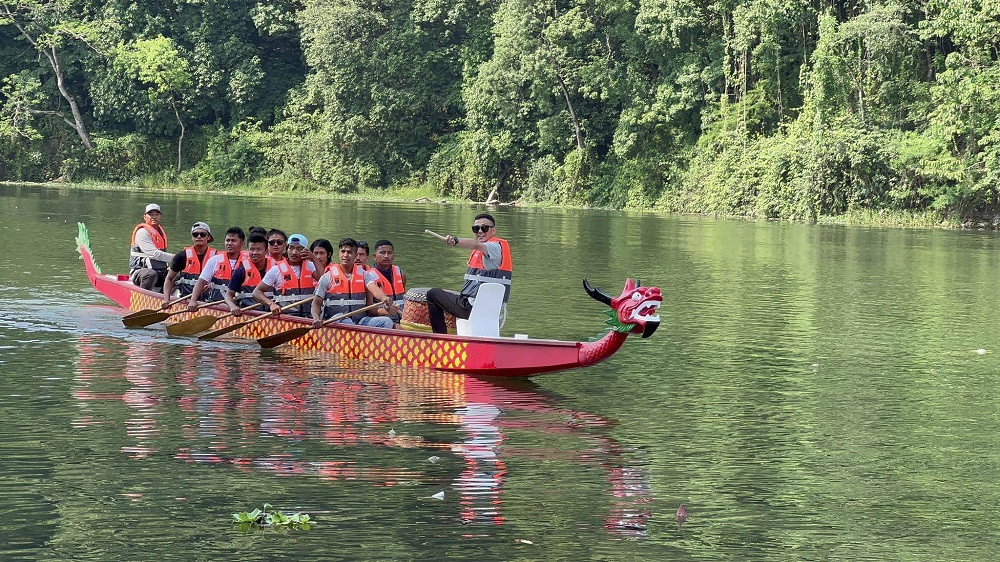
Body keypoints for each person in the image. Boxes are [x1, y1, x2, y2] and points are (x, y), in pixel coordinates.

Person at [427, 213, 512, 334]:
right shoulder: (493, 248)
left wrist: (455, 241)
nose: (480, 231)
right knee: (449, 294)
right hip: (490, 309)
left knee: (432, 294)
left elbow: (476, 244)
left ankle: (440, 338)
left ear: (494, 230)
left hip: (472, 308)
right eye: (476, 228)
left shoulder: (494, 247)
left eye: (485, 228)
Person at [311, 238, 394, 329]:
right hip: (335, 322)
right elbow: (316, 303)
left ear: (355, 256)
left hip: (360, 321)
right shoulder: (327, 277)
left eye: (349, 252)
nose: (345, 255)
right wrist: (316, 318)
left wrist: (384, 298)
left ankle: (368, 341)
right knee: (347, 322)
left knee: (387, 322)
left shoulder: (364, 275)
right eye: (343, 251)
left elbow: (374, 289)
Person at [253, 233, 322, 318]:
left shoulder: (310, 266)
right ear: (287, 249)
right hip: (286, 317)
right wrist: (271, 304)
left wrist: (314, 259)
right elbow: (256, 292)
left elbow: (323, 280)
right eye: (291, 248)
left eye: (299, 249)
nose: (294, 252)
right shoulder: (276, 269)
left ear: (305, 251)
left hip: (309, 317)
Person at [186, 226, 246, 308]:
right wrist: (193, 300)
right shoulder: (214, 260)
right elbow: (201, 282)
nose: (229, 243)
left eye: (233, 241)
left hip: (238, 307)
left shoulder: (248, 263)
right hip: (215, 305)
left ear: (242, 244)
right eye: (227, 240)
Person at [162, 222, 216, 306]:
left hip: (209, 301)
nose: (198, 237)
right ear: (192, 237)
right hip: (187, 300)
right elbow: (169, 279)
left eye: (202, 234)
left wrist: (212, 284)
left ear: (208, 237)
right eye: (195, 234)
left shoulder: (216, 257)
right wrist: (166, 299)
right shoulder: (182, 256)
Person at [225, 233, 273, 316]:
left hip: (271, 312)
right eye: (252, 249)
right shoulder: (240, 270)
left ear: (266, 251)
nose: (254, 253)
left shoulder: (275, 269)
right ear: (248, 250)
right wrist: (232, 306)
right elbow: (229, 295)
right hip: (248, 313)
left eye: (258, 249)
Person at [129, 203, 172, 290]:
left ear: (160, 216)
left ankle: (172, 298)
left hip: (159, 271)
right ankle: (143, 299)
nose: (154, 217)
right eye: (151, 214)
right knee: (150, 274)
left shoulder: (160, 233)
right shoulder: (142, 232)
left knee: (179, 274)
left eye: (156, 214)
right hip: (141, 271)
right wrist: (178, 258)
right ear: (145, 217)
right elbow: (154, 254)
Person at [364, 239, 406, 326]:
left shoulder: (400, 273)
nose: (386, 256)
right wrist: (386, 311)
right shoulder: (369, 277)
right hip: (385, 320)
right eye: (382, 253)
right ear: (375, 256)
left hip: (403, 319)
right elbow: (370, 309)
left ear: (394, 256)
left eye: (389, 253)